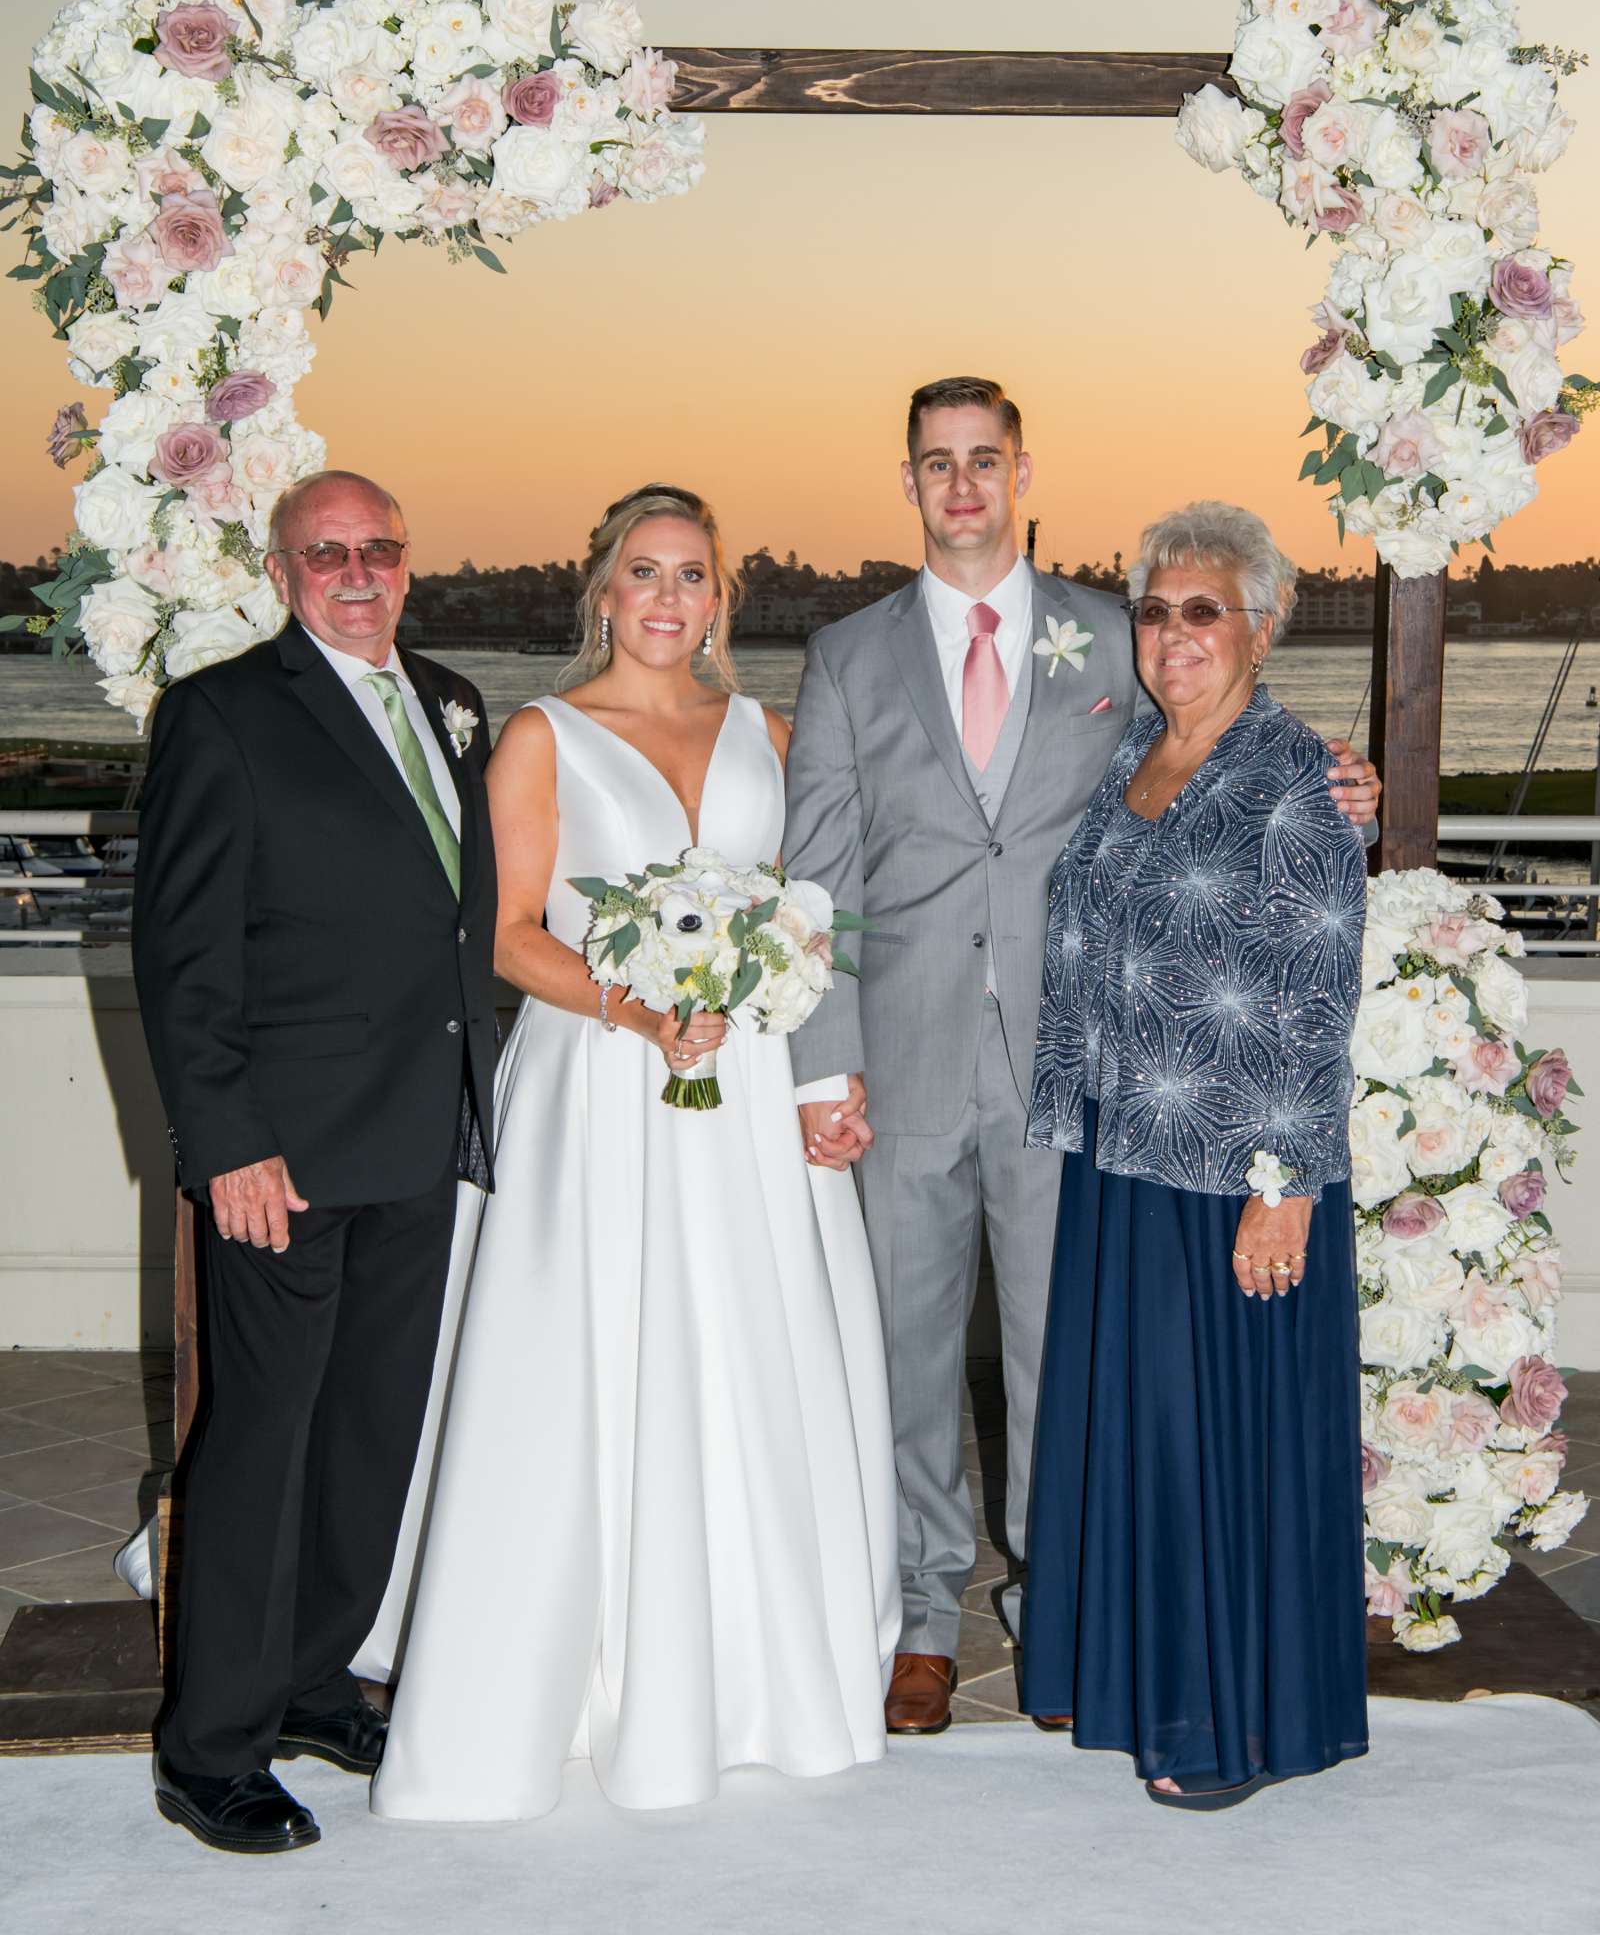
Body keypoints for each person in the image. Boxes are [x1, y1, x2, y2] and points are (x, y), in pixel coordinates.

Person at [781, 381, 1381, 1736]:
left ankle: (1065, 1603)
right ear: (911, 481)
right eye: (938, 464)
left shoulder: (1117, 631)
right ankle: (921, 1614)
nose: (964, 485)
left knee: (1068, 1354)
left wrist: (1346, 783)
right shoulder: (845, 654)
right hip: (903, 1054)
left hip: (1078, 1075)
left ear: (1024, 469)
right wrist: (826, 1063)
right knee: (905, 1348)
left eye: (985, 459)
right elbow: (815, 875)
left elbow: (1219, 739)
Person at [371, 484, 899, 1824]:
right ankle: (576, 1673)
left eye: (695, 577)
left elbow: (811, 916)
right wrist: (639, 1003)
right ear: (602, 589)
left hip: (746, 1079)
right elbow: (505, 935)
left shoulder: (771, 736)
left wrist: (799, 1044)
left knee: (747, 1348)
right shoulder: (544, 739)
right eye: (645, 574)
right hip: (604, 1082)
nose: (669, 600)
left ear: (724, 597)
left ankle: (758, 1670)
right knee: (591, 1353)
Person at [132, 471, 497, 1855]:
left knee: (368, 1439)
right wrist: (226, 1143)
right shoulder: (223, 715)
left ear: (409, 565)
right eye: (327, 553)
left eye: (380, 551)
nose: (358, 573)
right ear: (281, 570)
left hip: (418, 1137)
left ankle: (307, 1684)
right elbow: (180, 955)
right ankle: (207, 1746)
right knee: (260, 1448)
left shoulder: (453, 701)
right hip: (280, 1158)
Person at [1021, 501, 1369, 1808]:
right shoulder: (1134, 767)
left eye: (1203, 610)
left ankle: (1227, 1722)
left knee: (1215, 1447)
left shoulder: (1297, 780)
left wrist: (1281, 1189)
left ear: (1263, 627)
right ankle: (1140, 1678)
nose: (1174, 636)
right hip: (1124, 1157)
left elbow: (1316, 995)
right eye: (1156, 611)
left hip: (1236, 1176)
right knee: (1145, 1442)